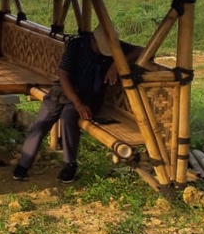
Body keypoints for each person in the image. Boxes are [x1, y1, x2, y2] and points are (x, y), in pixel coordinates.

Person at [12, 24, 139, 184]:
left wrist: (116, 65)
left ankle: (69, 165)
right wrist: (76, 101)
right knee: (42, 121)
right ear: (93, 39)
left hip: (89, 95)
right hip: (65, 90)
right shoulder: (76, 45)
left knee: (68, 117)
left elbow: (141, 50)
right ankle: (24, 164)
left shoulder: (115, 47)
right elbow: (63, 75)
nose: (105, 52)